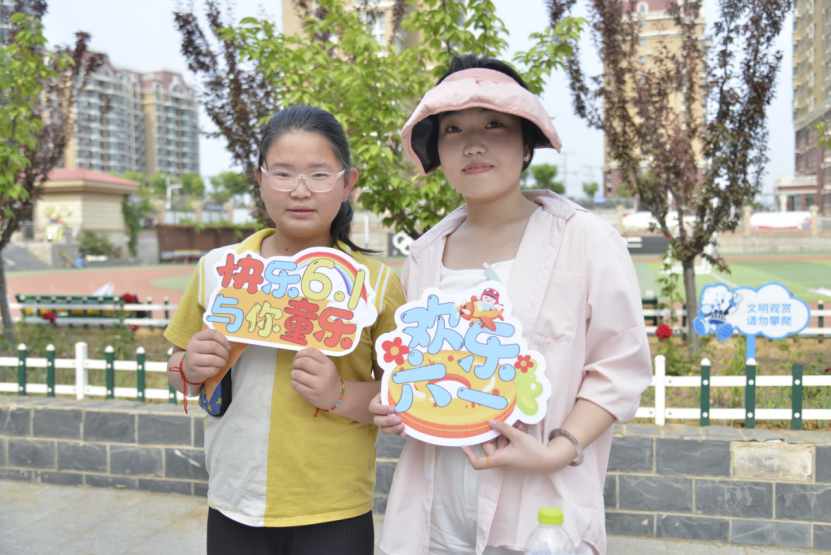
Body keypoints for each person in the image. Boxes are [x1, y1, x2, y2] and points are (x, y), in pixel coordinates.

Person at [370, 55, 653, 555]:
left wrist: (557, 451)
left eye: (494, 125)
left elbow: (621, 368)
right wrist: (395, 403)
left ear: (526, 142)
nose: (473, 144)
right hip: (434, 517)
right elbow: (417, 367)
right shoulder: (423, 255)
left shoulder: (586, 240)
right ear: (437, 150)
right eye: (453, 129)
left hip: (540, 511)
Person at [164, 105, 405, 555]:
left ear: (348, 183)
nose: (300, 190)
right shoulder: (218, 268)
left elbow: (402, 394)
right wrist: (189, 367)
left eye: (319, 174)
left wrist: (337, 394)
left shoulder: (376, 283)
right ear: (259, 179)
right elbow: (178, 373)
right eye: (282, 173)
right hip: (235, 497)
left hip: (335, 505)